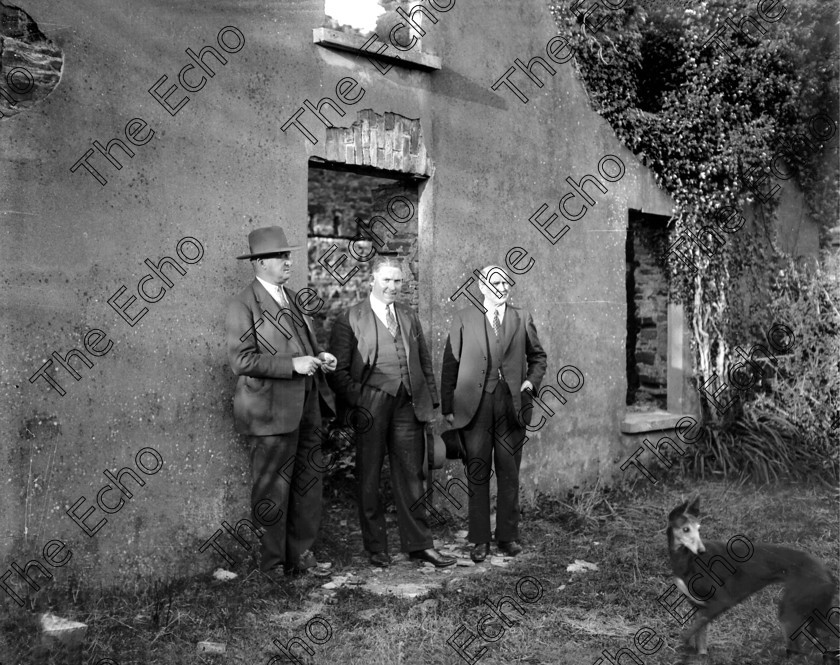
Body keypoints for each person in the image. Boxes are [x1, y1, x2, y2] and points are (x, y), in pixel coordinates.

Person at [328, 256, 455, 568]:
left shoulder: (408, 315)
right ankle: (376, 547)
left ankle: (420, 545)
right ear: (373, 279)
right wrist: (362, 398)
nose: (392, 287)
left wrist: (431, 402)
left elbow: (424, 361)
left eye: (398, 281)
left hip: (407, 404)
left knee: (413, 475)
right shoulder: (351, 318)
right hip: (370, 406)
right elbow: (337, 371)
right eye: (386, 280)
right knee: (369, 475)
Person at [225, 226, 336, 579]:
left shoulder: (292, 297)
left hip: (307, 405)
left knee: (308, 481)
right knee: (273, 489)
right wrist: (292, 365)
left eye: (287, 255)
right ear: (259, 263)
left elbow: (302, 345)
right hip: (270, 412)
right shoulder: (244, 304)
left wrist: (320, 357)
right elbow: (241, 360)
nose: (288, 261)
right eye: (280, 256)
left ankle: (300, 554)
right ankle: (271, 566)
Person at [440, 265, 547, 562]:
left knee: (508, 471)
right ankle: (480, 540)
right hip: (474, 406)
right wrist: (447, 407)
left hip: (511, 405)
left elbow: (538, 356)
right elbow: (451, 363)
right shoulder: (463, 318)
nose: (501, 287)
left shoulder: (520, 317)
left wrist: (531, 382)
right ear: (482, 287)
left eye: (505, 282)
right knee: (477, 471)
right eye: (495, 282)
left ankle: (507, 536)